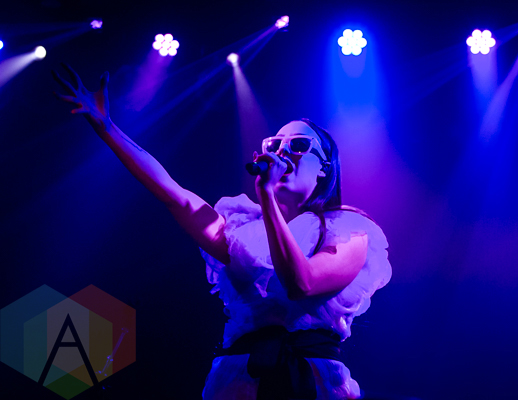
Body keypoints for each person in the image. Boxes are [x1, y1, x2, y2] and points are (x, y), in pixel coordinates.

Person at [53, 64, 392, 400]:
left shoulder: (350, 230)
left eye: (299, 145)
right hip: (238, 380)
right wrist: (107, 128)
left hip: (310, 380)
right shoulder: (246, 232)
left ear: (324, 169)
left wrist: (266, 194)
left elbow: (301, 283)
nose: (282, 152)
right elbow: (174, 196)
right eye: (275, 144)